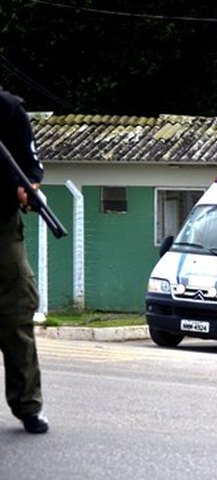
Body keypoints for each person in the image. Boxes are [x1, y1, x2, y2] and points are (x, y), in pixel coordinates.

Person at [0, 87, 49, 434]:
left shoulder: (8, 109)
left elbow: (30, 166)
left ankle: (27, 406)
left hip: (0, 224)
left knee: (16, 311)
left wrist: (27, 188)